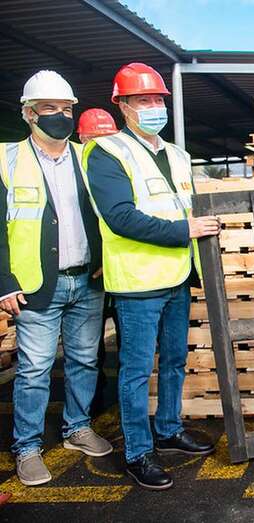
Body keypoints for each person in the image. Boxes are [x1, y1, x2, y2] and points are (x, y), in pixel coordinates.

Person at [82, 63, 220, 490]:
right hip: (138, 282)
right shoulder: (106, 152)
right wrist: (185, 231)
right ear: (122, 105)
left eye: (158, 99)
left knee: (175, 361)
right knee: (137, 371)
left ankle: (168, 429)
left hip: (177, 276)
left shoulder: (177, 154)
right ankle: (138, 452)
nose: (154, 106)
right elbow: (121, 217)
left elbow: (187, 206)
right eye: (144, 100)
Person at [0, 71, 111, 487]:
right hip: (34, 285)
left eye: (67, 109)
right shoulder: (6, 159)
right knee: (35, 369)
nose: (60, 116)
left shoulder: (88, 157)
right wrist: (4, 281)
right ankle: (27, 447)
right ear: (29, 113)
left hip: (87, 278)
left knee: (85, 359)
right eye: (50, 109)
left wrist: (103, 259)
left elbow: (105, 214)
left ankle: (77, 428)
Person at [76, 108, 120, 415]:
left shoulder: (117, 169)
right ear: (81, 139)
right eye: (93, 139)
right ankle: (92, 402)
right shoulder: (76, 174)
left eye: (107, 139)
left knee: (128, 341)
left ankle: (123, 401)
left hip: (121, 266)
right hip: (90, 272)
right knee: (89, 347)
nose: (100, 145)